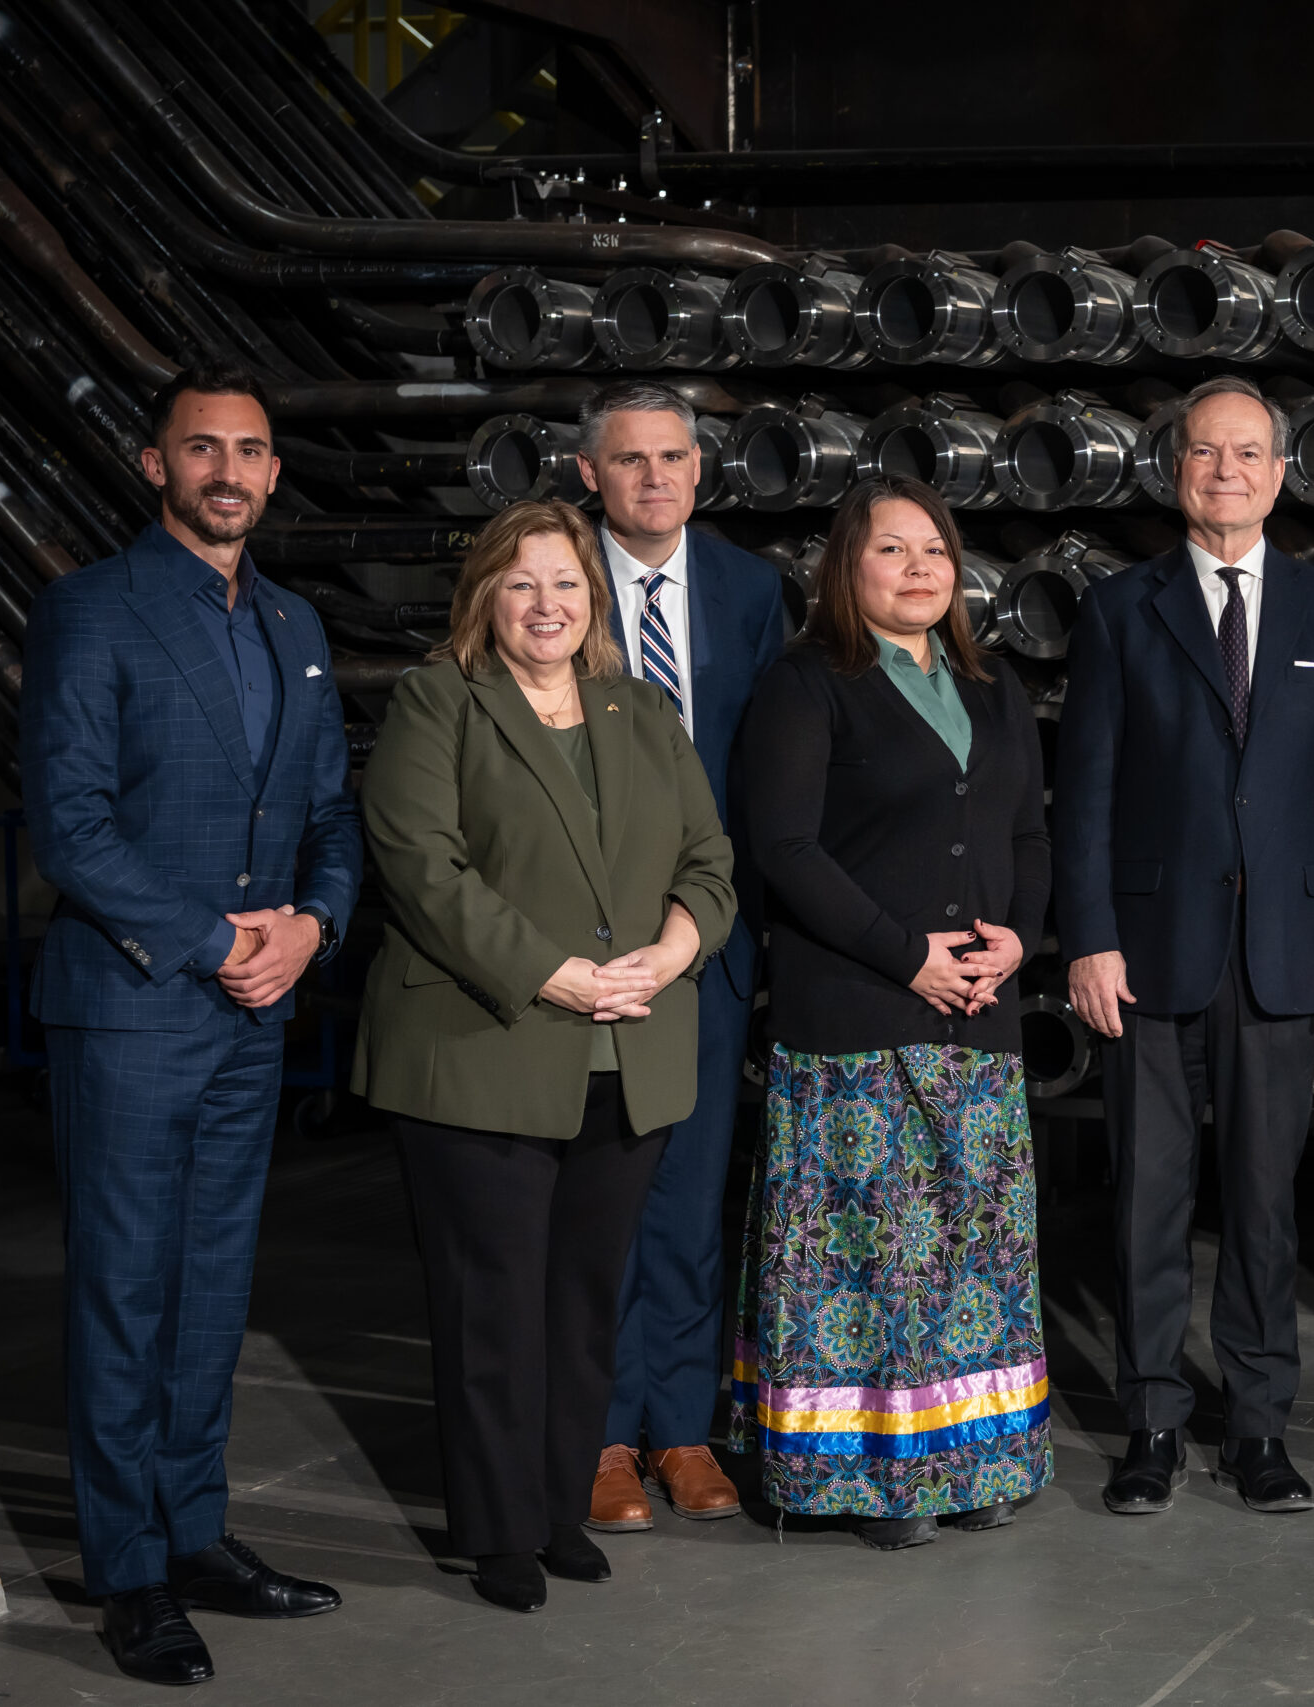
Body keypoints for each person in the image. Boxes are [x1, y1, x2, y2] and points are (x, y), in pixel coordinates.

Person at [21, 364, 362, 1686]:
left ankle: (197, 1527)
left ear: (275, 475)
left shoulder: (293, 622)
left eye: (252, 450)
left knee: (212, 1282)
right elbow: (74, 823)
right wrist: (225, 937)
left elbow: (333, 814)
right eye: (202, 447)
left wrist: (315, 927)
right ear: (154, 464)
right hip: (136, 999)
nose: (229, 468)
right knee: (125, 1287)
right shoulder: (91, 609)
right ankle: (130, 1567)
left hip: (252, 1010)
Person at [353, 499, 736, 1612]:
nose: (546, 605)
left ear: (593, 599)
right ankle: (497, 1530)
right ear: (485, 595)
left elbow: (708, 859)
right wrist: (554, 973)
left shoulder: (641, 708)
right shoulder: (441, 700)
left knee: (582, 1300)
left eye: (566, 583)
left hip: (633, 1048)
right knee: (494, 1306)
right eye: (521, 583)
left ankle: (558, 1501)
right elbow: (423, 868)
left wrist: (668, 956)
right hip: (485, 1046)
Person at [1056, 375, 1314, 1518]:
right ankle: (1151, 1422)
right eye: (1207, 453)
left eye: (1249, 454)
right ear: (1176, 469)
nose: (1228, 472)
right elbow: (1083, 791)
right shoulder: (1118, 610)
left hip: (1285, 950)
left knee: (1261, 1203)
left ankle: (1258, 1429)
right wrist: (1088, 937)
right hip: (1147, 951)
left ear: (1280, 473)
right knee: (1147, 1194)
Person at [727, 475, 1052, 1551]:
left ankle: (972, 1462)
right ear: (843, 569)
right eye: (890, 551)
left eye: (935, 552)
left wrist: (1018, 938)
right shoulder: (807, 682)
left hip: (978, 1015)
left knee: (971, 1252)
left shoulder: (993, 683)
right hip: (856, 1015)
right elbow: (781, 848)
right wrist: (905, 955)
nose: (917, 569)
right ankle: (861, 1482)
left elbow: (1024, 836)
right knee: (865, 1258)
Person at [571, 380, 785, 1533]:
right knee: (603, 1194)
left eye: (672, 459)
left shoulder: (751, 591)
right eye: (629, 460)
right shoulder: (549, 580)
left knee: (693, 1197)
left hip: (707, 941)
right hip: (588, 949)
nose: (653, 479)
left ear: (701, 472)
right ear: (588, 475)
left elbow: (768, 772)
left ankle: (680, 1429)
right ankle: (600, 1434)